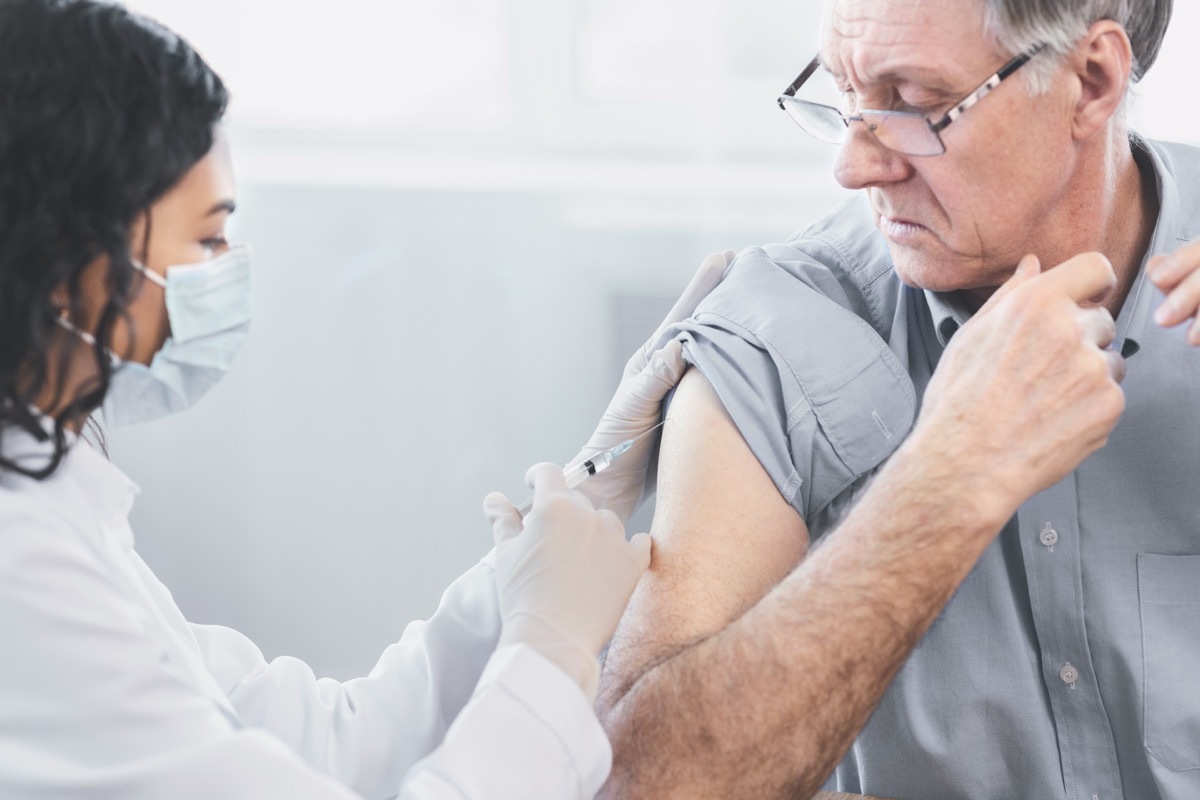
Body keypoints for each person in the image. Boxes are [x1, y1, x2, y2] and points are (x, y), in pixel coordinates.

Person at [0, 1, 729, 797]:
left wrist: (582, 501)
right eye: (208, 238)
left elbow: (325, 742)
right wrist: (547, 646)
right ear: (72, 259)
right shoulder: (24, 563)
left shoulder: (56, 496)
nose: (230, 267)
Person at [595, 1, 1200, 799]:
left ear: (1090, 81)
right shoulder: (777, 338)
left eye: (912, 104)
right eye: (844, 94)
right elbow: (640, 785)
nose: (852, 166)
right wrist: (946, 481)